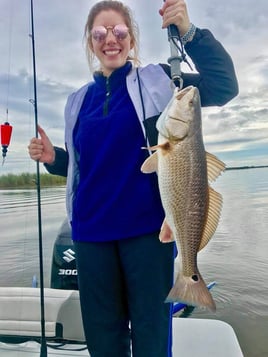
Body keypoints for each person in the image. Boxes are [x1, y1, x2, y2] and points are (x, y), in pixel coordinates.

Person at [28, 0, 238, 356]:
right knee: (104, 338)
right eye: (100, 33)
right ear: (90, 42)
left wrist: (189, 33)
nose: (110, 39)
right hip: (91, 237)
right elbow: (87, 168)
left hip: (147, 235)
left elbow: (223, 84)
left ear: (132, 39)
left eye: (119, 31)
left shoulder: (159, 81)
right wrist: (53, 159)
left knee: (151, 335)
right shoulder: (77, 101)